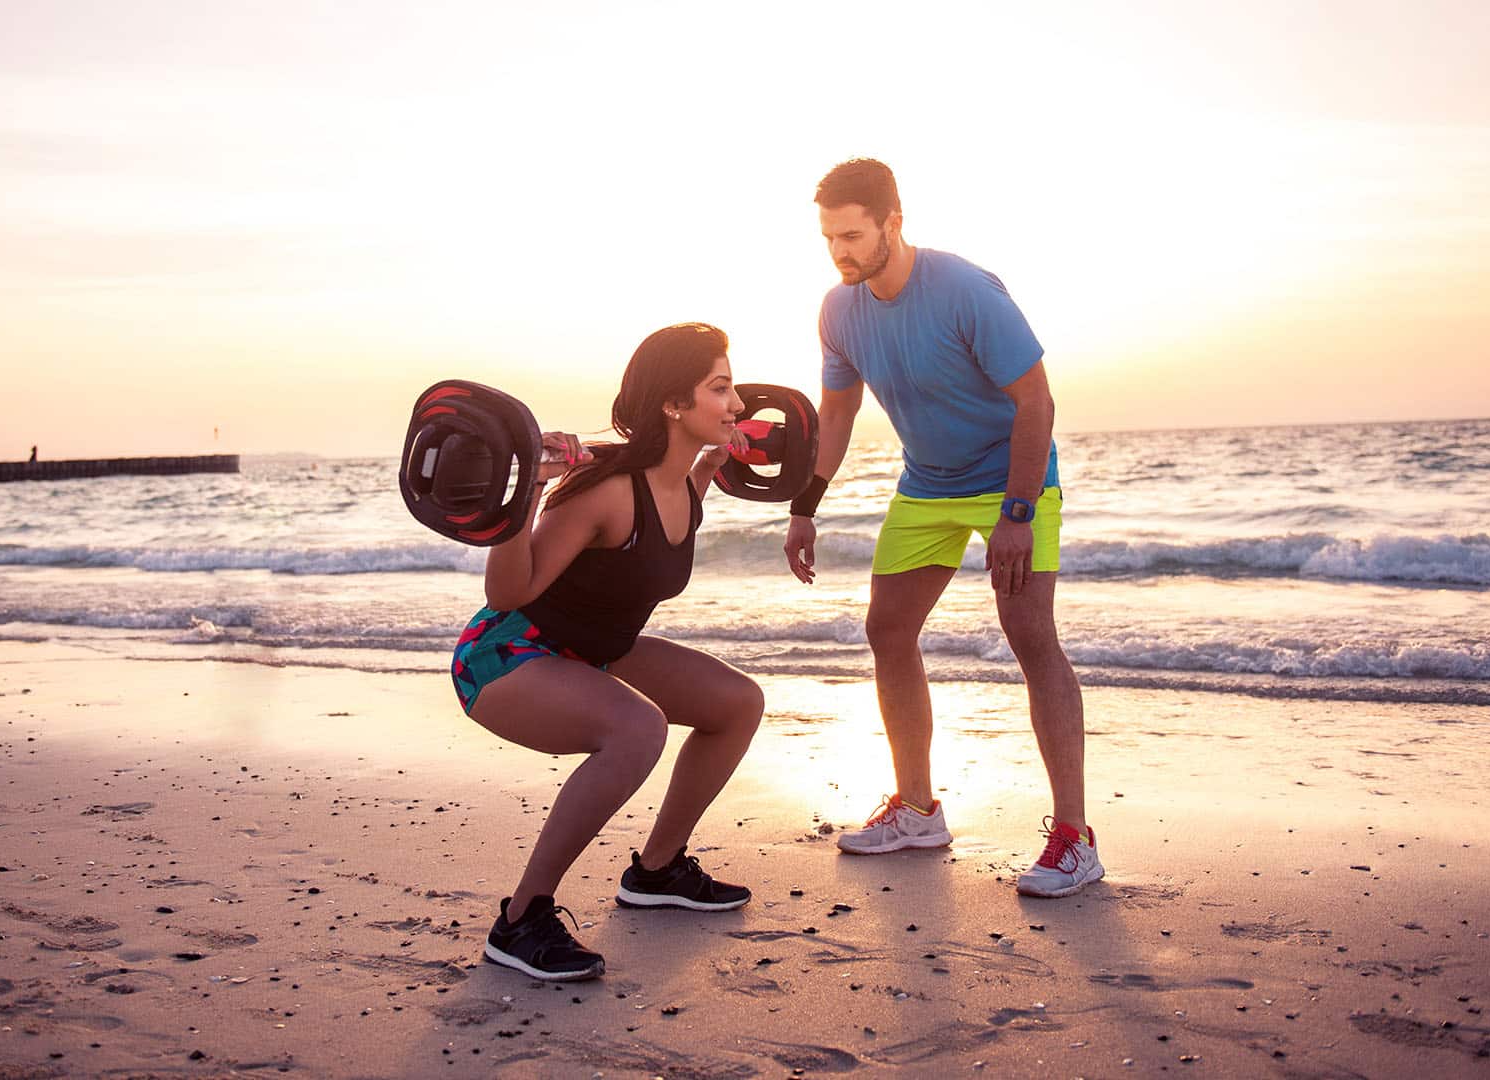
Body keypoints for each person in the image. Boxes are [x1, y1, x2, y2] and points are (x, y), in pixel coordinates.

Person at [784, 159, 1102, 898]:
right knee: (887, 630)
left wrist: (1017, 513)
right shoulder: (839, 310)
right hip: (926, 484)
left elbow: (1037, 402)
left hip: (1012, 480)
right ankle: (919, 811)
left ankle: (1074, 838)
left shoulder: (965, 290)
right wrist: (806, 504)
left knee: (1029, 636)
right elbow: (837, 414)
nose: (841, 252)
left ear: (894, 222)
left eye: (854, 236)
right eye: (831, 238)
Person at [450, 322, 764, 980]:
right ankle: (521, 920)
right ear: (674, 405)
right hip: (508, 652)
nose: (737, 404)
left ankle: (657, 870)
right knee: (638, 729)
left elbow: (681, 507)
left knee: (737, 703)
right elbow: (511, 592)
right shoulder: (609, 490)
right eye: (721, 388)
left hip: (595, 649)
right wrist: (527, 492)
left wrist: (727, 457)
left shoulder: (681, 483)